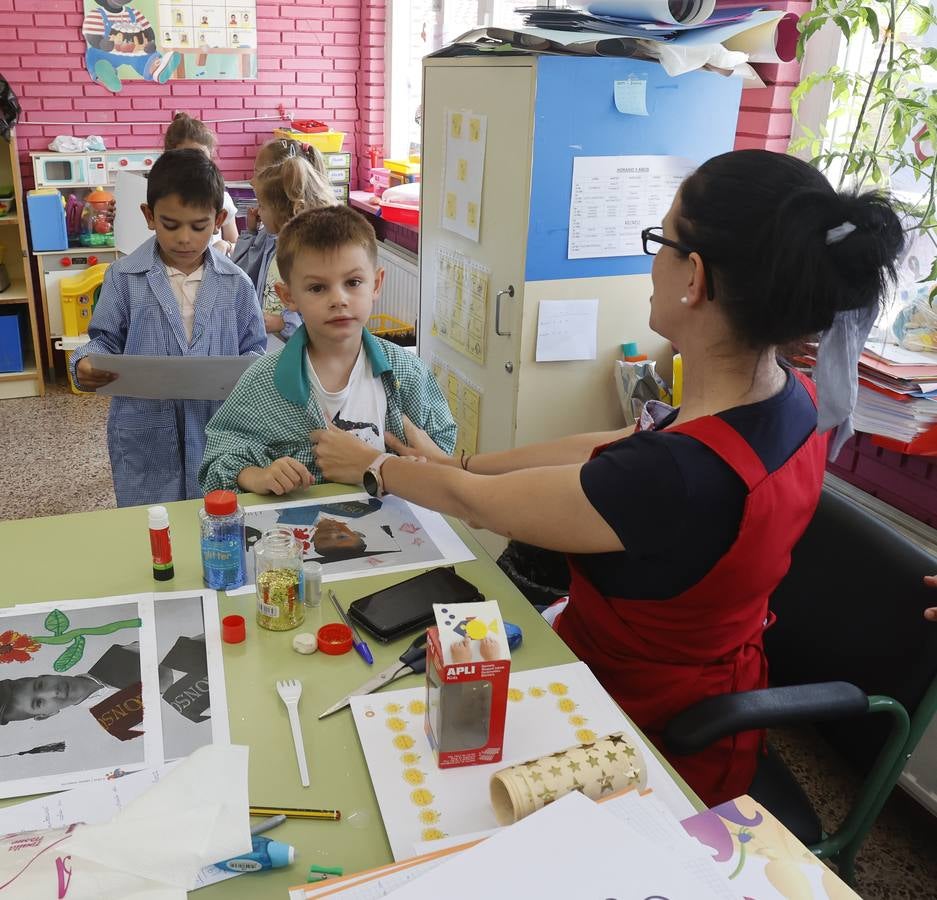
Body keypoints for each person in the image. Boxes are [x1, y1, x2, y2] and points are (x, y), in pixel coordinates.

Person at [310, 150, 905, 807]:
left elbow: (479, 507)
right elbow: (618, 441)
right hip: (700, 672)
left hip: (640, 731)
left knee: (420, 778)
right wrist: (462, 462)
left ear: (694, 277)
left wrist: (373, 466)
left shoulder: (676, 477)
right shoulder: (779, 398)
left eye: (660, 241)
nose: (652, 262)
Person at [199, 205, 456, 496]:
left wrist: (416, 467)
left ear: (376, 284)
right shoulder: (262, 381)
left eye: (353, 282)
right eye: (318, 288)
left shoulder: (408, 374)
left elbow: (441, 451)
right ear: (288, 296)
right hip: (297, 535)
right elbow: (218, 459)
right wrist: (258, 476)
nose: (339, 299)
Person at [71, 149, 266, 507]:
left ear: (219, 218)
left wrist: (251, 374)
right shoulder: (123, 277)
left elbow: (254, 349)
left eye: (199, 226)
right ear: (149, 216)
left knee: (214, 518)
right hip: (145, 426)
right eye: (170, 225)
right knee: (148, 522)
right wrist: (85, 363)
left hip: (215, 427)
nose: (185, 239)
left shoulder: (237, 284)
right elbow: (103, 341)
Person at [232, 143, 334, 342]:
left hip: (298, 346)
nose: (258, 211)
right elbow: (244, 271)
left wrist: (284, 322)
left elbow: (320, 308)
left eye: (262, 205)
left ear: (288, 208)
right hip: (276, 342)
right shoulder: (275, 240)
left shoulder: (308, 252)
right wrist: (251, 233)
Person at [163, 112, 239, 255]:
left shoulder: (222, 199)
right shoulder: (158, 197)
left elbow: (237, 245)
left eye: (200, 159)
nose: (194, 167)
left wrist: (226, 245)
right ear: (168, 159)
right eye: (186, 159)